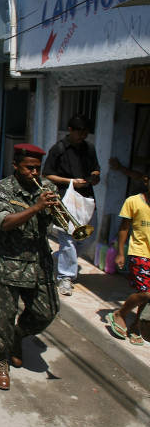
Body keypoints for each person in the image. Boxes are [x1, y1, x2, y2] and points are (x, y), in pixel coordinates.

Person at [0, 144, 60, 390]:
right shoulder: (0, 189)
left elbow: (56, 220)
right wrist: (36, 207)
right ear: (16, 166)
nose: (34, 173)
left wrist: (53, 209)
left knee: (47, 311)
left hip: (39, 262)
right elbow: (4, 222)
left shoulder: (48, 188)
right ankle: (1, 360)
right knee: (3, 319)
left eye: (38, 168)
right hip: (7, 263)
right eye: (29, 168)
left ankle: (19, 335)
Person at [42, 114, 101, 296]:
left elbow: (95, 168)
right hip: (65, 198)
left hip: (86, 198)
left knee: (88, 235)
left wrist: (94, 176)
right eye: (80, 132)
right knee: (67, 238)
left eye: (85, 133)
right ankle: (65, 277)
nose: (82, 136)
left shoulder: (89, 148)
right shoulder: (58, 149)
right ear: (70, 130)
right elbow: (47, 174)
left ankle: (60, 259)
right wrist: (70, 182)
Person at [106, 177, 150, 345]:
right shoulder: (133, 201)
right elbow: (124, 227)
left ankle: (135, 326)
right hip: (139, 252)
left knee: (148, 296)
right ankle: (120, 314)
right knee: (145, 292)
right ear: (146, 181)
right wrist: (120, 252)